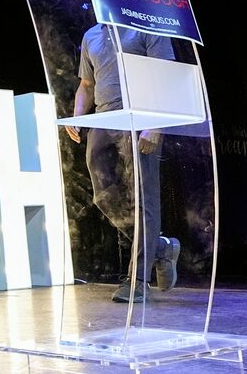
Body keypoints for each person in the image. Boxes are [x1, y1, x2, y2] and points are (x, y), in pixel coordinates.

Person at [65, 24, 181, 303]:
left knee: (144, 199)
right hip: (105, 120)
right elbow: (87, 85)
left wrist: (156, 124)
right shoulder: (91, 35)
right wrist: (78, 114)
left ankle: (138, 280)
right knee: (102, 194)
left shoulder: (143, 27)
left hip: (140, 118)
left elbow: (165, 76)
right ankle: (160, 248)